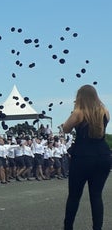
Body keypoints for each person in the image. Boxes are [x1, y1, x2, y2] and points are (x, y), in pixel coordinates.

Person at [61, 84, 111, 230]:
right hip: (103, 155)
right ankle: (97, 228)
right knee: (96, 196)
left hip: (83, 156)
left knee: (74, 196)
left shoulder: (78, 112)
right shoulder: (105, 111)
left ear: (80, 97)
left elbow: (66, 128)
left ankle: (68, 227)